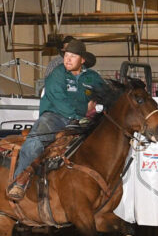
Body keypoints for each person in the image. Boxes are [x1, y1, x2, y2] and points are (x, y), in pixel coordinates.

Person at [7, 38, 105, 201]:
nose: (67, 59)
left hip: (81, 120)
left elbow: (105, 94)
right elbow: (58, 99)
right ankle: (19, 182)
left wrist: (99, 105)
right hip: (55, 117)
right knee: (35, 141)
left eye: (73, 56)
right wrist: (81, 114)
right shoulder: (57, 74)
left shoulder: (92, 77)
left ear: (82, 60)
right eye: (66, 55)